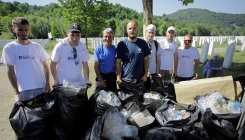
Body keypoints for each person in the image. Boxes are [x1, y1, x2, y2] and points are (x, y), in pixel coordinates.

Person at [1, 17, 51, 103]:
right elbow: (10, 71)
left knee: (44, 114)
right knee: (28, 115)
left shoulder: (37, 46)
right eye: (20, 29)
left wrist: (47, 83)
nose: (24, 32)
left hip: (41, 87)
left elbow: (46, 66)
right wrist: (16, 91)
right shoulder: (9, 48)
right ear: (13, 29)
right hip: (24, 90)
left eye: (26, 29)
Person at [116, 20, 151, 86]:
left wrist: (145, 74)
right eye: (130, 28)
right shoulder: (122, 44)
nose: (132, 30)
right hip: (126, 79)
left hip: (140, 80)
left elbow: (146, 60)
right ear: (127, 30)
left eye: (134, 28)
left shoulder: (143, 43)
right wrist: (118, 77)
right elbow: (118, 62)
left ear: (138, 29)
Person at [144, 24, 160, 91]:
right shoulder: (142, 43)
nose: (151, 34)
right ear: (146, 32)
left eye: (152, 33)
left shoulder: (156, 44)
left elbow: (158, 59)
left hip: (153, 73)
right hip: (143, 73)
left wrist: (158, 72)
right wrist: (146, 71)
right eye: (149, 32)